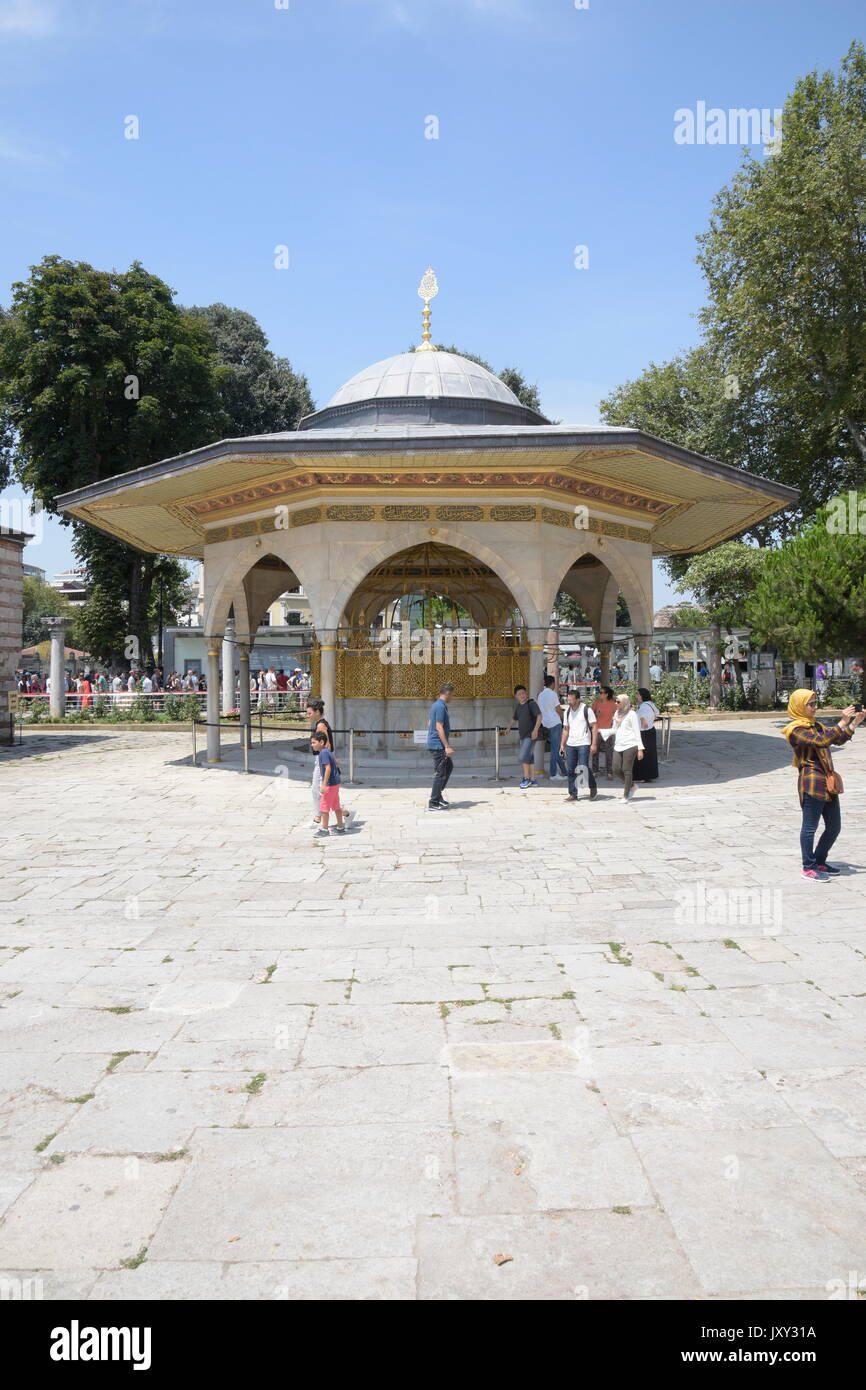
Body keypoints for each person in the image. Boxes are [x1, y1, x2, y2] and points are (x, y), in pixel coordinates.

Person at [781, 690, 864, 881]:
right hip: (811, 783)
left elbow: (836, 739)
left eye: (815, 703)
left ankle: (819, 860)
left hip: (828, 782)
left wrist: (854, 722)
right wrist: (841, 722)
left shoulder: (815, 725)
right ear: (799, 706)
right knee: (810, 827)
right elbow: (821, 741)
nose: (815, 707)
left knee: (834, 826)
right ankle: (808, 866)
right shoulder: (795, 730)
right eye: (810, 704)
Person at [559, 688, 598, 802]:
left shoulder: (586, 710)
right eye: (568, 699)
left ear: (578, 699)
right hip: (571, 744)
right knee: (571, 769)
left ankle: (592, 786)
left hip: (584, 743)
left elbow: (594, 726)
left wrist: (594, 744)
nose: (569, 702)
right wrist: (562, 744)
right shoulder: (567, 712)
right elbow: (566, 729)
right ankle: (573, 794)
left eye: (571, 700)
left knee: (583, 767)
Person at [306, 697, 335, 827]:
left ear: (317, 712)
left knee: (316, 788)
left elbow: (326, 744)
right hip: (323, 758)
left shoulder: (321, 725)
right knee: (325, 791)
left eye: (309, 713)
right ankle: (345, 813)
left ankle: (318, 818)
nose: (308, 716)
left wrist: (327, 761)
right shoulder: (320, 724)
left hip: (322, 758)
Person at [507, 684, 543, 788]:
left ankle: (526, 778)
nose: (522, 695)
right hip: (523, 736)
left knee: (523, 756)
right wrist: (509, 727)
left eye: (523, 693)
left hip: (530, 735)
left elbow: (539, 716)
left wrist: (535, 730)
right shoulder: (519, 706)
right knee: (529, 757)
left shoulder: (531, 704)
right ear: (516, 696)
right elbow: (514, 718)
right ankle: (533, 779)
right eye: (519, 694)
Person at [311, 731, 345, 837]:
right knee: (336, 805)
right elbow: (334, 763)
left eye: (313, 742)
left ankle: (324, 830)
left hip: (330, 783)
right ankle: (340, 826)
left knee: (324, 807)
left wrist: (324, 784)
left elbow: (328, 769)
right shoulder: (327, 751)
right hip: (335, 783)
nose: (312, 745)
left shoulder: (323, 753)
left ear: (321, 742)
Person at [426, 682, 454, 811]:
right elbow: (438, 727)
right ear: (447, 694)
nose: (452, 698)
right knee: (441, 773)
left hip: (436, 743)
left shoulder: (437, 705)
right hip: (438, 745)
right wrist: (447, 746)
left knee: (448, 767)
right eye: (452, 695)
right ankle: (433, 802)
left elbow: (430, 722)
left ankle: (438, 796)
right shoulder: (440, 706)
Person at [611, 694, 644, 802]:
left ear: (625, 703)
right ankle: (632, 785)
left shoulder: (632, 714)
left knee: (626, 769)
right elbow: (614, 730)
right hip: (618, 745)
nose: (615, 703)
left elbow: (636, 731)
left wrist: (640, 748)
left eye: (618, 702)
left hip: (630, 744)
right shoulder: (617, 713)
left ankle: (626, 795)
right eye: (615, 701)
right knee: (615, 769)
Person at [536, 674, 567, 781]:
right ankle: (553, 774)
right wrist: (565, 719)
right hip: (555, 723)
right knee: (554, 750)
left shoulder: (540, 695)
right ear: (553, 683)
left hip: (546, 724)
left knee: (555, 749)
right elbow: (558, 709)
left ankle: (564, 771)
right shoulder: (553, 694)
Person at [633, 686, 660, 782]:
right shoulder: (651, 704)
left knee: (642, 754)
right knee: (651, 754)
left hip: (644, 732)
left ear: (642, 696)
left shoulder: (644, 706)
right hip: (651, 731)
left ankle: (642, 776)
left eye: (638, 694)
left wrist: (644, 722)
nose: (637, 696)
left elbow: (643, 720)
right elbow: (657, 713)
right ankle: (649, 775)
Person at [591, 685, 617, 779]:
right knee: (595, 752)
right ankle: (594, 771)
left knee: (609, 752)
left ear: (607, 694)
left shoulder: (612, 704)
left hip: (608, 731)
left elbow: (618, 713)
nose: (600, 694)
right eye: (599, 692)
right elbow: (590, 715)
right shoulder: (596, 703)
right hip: (597, 731)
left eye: (602, 693)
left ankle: (609, 772)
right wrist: (595, 715)